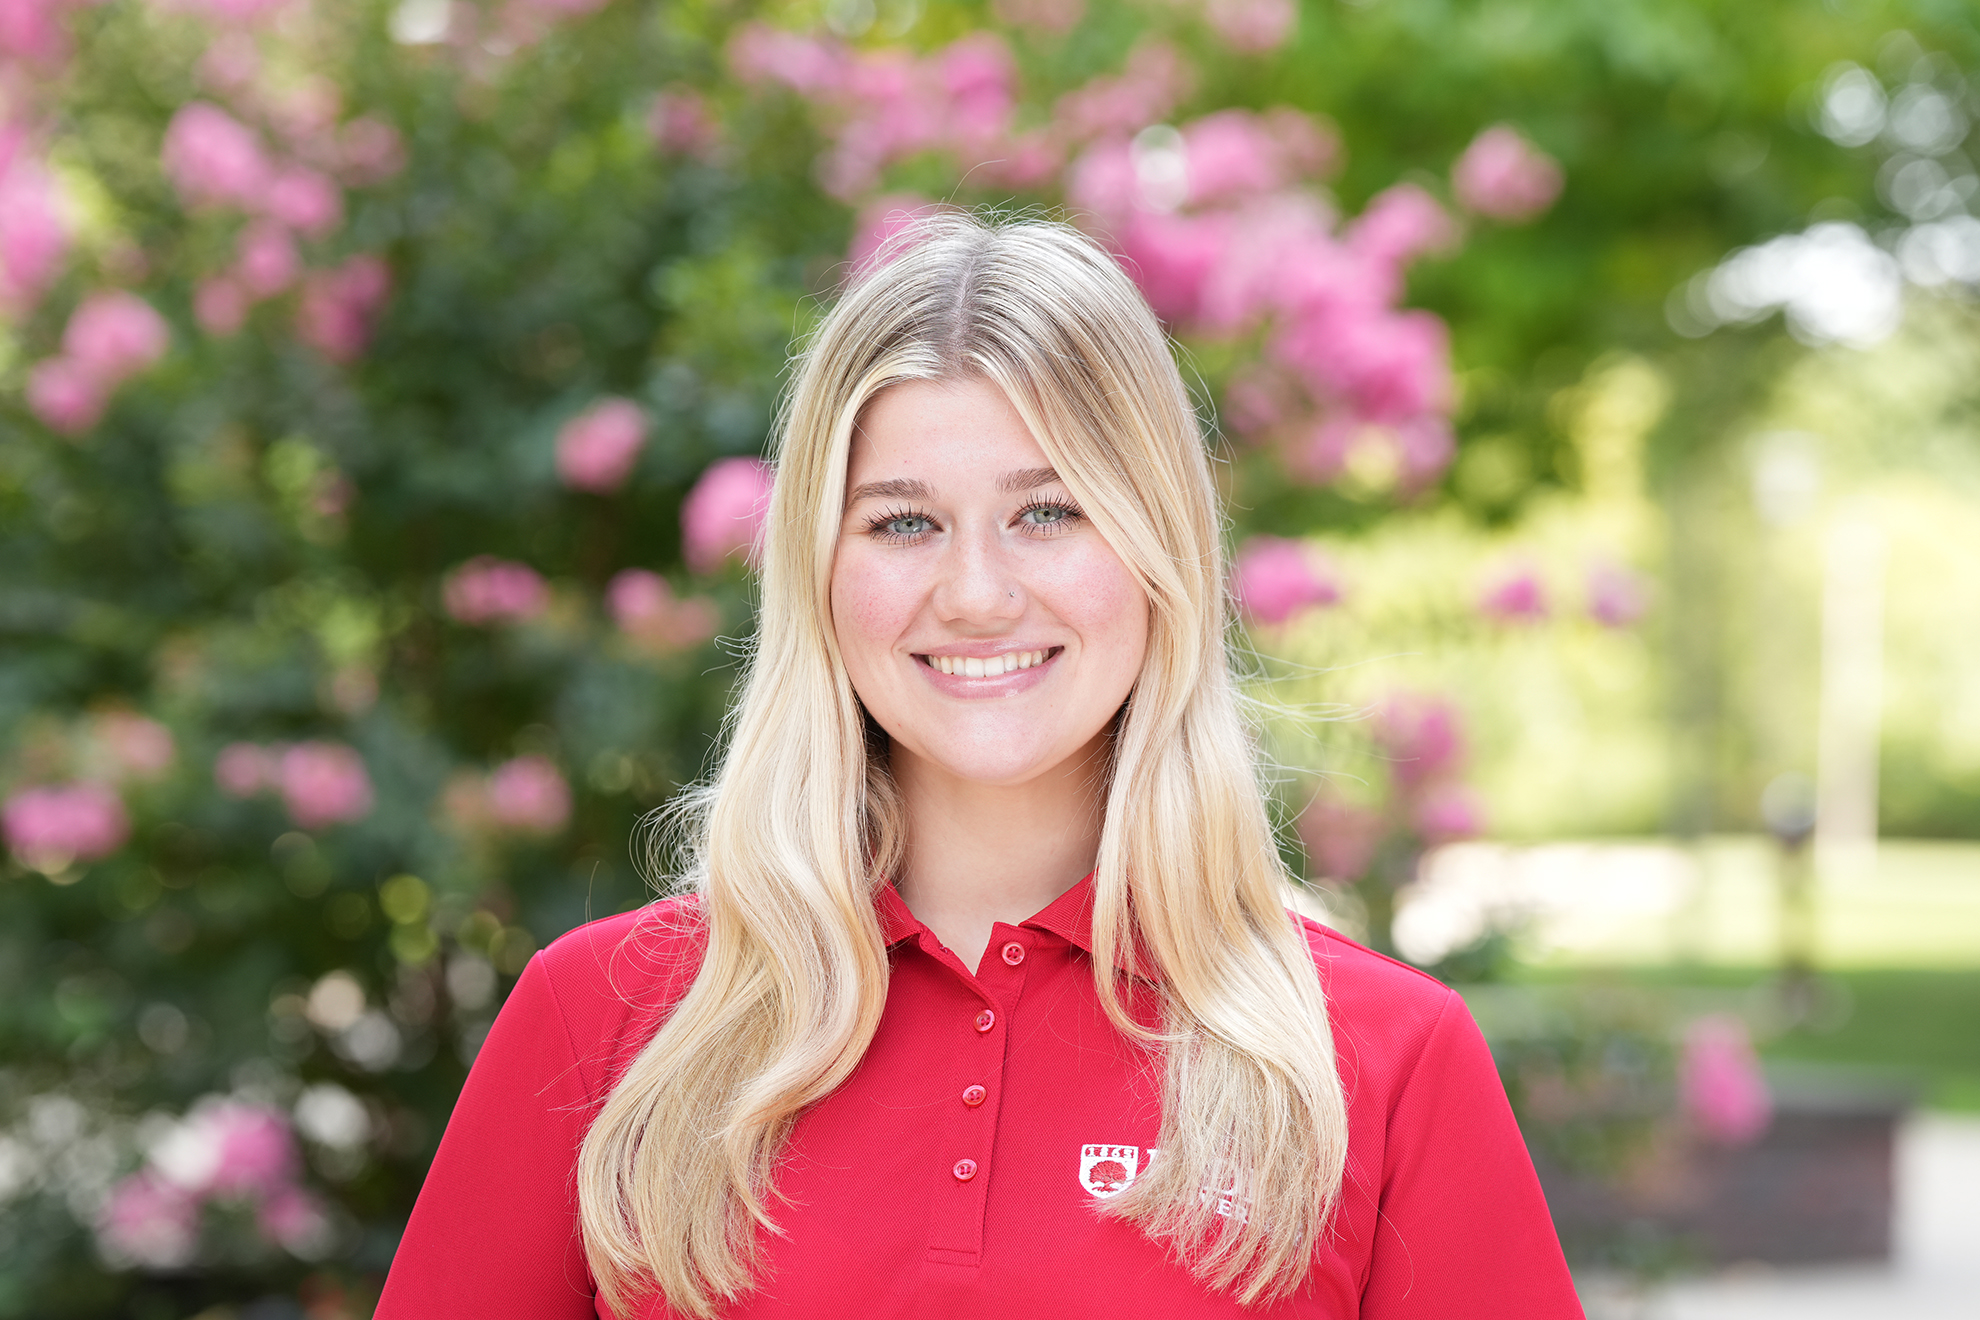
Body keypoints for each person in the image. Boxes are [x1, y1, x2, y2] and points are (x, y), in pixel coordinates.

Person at [375, 214, 1583, 1319]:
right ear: (819, 575)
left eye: (1049, 511)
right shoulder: (605, 1022)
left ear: (1160, 545)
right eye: (903, 522)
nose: (975, 593)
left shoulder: (1380, 1056)